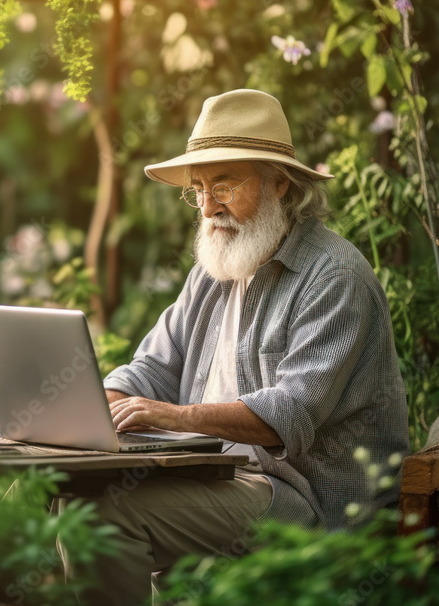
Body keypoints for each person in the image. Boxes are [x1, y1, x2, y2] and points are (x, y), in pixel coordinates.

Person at [69, 89, 409, 606]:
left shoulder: (333, 276)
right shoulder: (215, 270)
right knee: (69, 497)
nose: (207, 207)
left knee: (104, 514)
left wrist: (172, 416)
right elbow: (152, 367)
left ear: (279, 182)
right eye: (198, 189)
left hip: (310, 504)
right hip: (224, 480)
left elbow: (289, 414)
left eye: (223, 184)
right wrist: (106, 402)